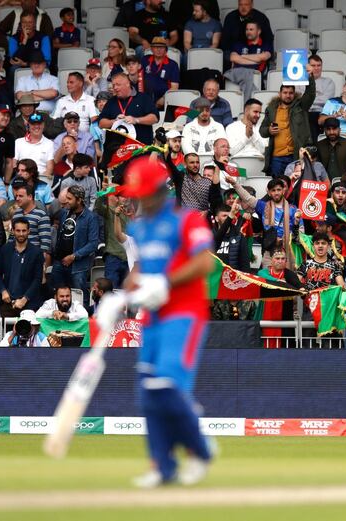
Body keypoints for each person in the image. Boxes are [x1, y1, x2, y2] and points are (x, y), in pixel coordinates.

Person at [97, 155, 214, 487]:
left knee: (165, 384)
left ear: (159, 192)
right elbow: (140, 272)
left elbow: (204, 263)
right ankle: (163, 468)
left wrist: (165, 281)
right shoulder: (141, 227)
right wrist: (119, 298)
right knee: (147, 392)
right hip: (154, 318)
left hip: (185, 314)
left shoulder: (187, 221)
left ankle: (201, 448)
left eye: (140, 194)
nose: (134, 200)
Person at [51, 185, 99, 299]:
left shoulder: (91, 217)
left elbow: (93, 243)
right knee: (57, 295)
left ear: (79, 200)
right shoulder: (64, 213)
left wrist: (73, 256)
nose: (66, 201)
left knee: (79, 297)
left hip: (78, 266)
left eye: (69, 199)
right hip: (59, 262)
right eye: (66, 197)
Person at [260, 80, 316, 177]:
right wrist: (269, 130)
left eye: (290, 93)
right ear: (280, 94)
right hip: (277, 156)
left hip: (296, 155)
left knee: (295, 186)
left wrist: (310, 77)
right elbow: (262, 131)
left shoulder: (301, 106)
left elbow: (310, 93)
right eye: (285, 93)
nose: (288, 95)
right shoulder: (271, 109)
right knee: (278, 185)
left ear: (294, 94)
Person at [0, 217, 44, 316]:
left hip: (29, 304)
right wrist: (3, 291)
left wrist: (25, 298)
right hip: (7, 302)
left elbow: (37, 279)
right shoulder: (5, 249)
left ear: (29, 231)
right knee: (5, 330)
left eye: (24, 230)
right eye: (18, 230)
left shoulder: (36, 252)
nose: (21, 234)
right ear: (12, 231)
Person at [98, 73, 159, 145]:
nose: (115, 88)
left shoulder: (143, 98)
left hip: (140, 149)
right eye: (113, 85)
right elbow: (101, 123)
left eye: (118, 84)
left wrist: (136, 120)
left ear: (128, 84)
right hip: (115, 150)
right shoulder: (111, 102)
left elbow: (155, 118)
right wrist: (114, 121)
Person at [225, 20, 272, 103]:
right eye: (247, 29)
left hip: (256, 75)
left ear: (259, 31)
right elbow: (233, 58)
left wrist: (242, 56)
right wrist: (256, 60)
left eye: (251, 29)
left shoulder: (265, 45)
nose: (248, 32)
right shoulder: (239, 44)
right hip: (237, 75)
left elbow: (264, 57)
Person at [11, 182, 52, 263]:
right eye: (16, 196)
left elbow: (45, 243)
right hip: (16, 257)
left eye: (21, 196)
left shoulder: (41, 215)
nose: (17, 199)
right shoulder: (16, 214)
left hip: (33, 259)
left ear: (30, 197)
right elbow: (12, 237)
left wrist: (40, 262)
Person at [300, 54, 337, 142]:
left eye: (319, 65)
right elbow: (299, 100)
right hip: (303, 112)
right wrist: (316, 97)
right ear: (308, 67)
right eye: (313, 65)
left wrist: (309, 99)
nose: (316, 68)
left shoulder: (329, 82)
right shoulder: (299, 82)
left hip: (321, 113)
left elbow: (326, 101)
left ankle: (313, 149)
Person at [14, 112, 54, 182]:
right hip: (21, 180)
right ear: (28, 125)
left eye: (39, 124)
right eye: (33, 124)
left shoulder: (50, 143)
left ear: (43, 125)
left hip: (41, 180)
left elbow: (49, 169)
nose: (36, 126)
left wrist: (38, 182)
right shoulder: (18, 142)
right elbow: (14, 164)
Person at [144, 37, 180, 110]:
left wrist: (164, 98)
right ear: (151, 49)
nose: (158, 49)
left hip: (164, 102)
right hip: (145, 99)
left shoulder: (172, 64)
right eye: (156, 47)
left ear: (166, 50)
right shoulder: (144, 60)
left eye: (161, 47)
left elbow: (174, 87)